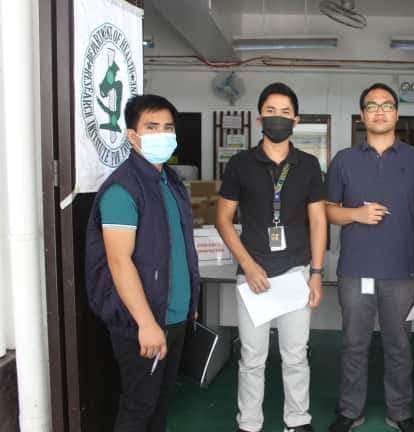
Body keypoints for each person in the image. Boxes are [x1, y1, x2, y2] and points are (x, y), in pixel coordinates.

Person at [325, 83, 414, 432]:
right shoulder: (344, 160)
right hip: (355, 270)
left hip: (401, 271)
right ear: (362, 115)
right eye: (372, 106)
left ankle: (400, 412)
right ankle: (350, 410)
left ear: (397, 113)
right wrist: (356, 214)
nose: (380, 111)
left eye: (387, 105)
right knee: (353, 344)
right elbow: (327, 211)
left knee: (399, 345)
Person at [215, 82, 327, 432]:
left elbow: (318, 220)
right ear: (259, 117)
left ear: (296, 119)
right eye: (271, 111)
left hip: (296, 272)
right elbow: (223, 219)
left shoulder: (308, 165)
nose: (278, 118)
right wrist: (248, 265)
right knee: (252, 357)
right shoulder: (240, 164)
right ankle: (249, 423)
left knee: (296, 355)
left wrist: (316, 272)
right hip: (253, 275)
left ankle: (297, 420)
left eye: (285, 112)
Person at [85, 94, 200, 431]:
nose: (162, 134)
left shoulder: (170, 182)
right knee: (139, 406)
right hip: (143, 321)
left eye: (168, 127)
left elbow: (177, 249)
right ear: (133, 136)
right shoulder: (123, 190)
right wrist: (146, 324)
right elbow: (119, 262)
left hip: (173, 315)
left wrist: (189, 302)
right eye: (152, 127)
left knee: (159, 404)